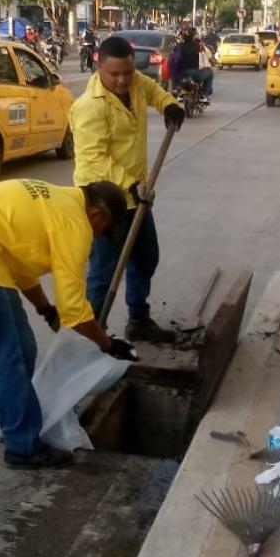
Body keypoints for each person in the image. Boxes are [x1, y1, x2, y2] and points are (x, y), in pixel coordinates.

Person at [0, 179, 134, 469]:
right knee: (12, 352)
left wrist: (45, 309)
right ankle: (22, 446)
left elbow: (21, 268)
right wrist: (107, 343)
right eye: (103, 232)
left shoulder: (56, 200)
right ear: (98, 215)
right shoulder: (76, 223)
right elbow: (74, 309)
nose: (98, 238)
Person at [69, 36, 186, 344]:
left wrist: (169, 104)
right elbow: (94, 160)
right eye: (114, 74)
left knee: (146, 257)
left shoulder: (135, 84)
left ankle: (138, 319)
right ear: (99, 68)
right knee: (104, 272)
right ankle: (92, 335)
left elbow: (152, 90)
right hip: (103, 201)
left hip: (136, 195)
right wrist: (130, 184)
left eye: (128, 72)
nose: (122, 80)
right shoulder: (89, 108)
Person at [173, 27, 215, 98]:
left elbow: (172, 58)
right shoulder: (198, 46)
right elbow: (206, 58)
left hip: (180, 73)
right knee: (210, 73)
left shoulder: (178, 46)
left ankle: (177, 90)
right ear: (193, 36)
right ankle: (204, 94)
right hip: (195, 73)